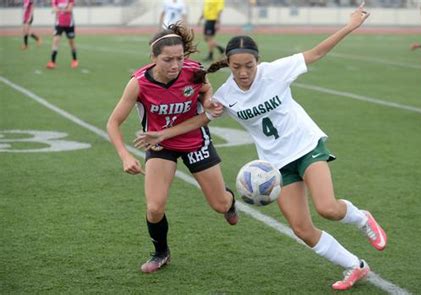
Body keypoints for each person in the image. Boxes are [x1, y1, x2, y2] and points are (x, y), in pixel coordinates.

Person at [135, 3, 387, 291]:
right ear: (228, 65)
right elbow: (201, 120)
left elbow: (317, 52)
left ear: (258, 62)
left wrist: (349, 26)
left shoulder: (277, 71)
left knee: (327, 207)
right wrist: (161, 134)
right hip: (276, 163)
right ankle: (356, 266)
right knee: (302, 229)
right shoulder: (227, 94)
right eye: (236, 67)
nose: (243, 73)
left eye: (249, 66)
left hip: (306, 145)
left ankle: (363, 218)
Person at [106, 23, 238, 274]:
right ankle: (161, 252)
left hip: (195, 141)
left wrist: (207, 100)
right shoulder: (138, 83)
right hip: (159, 146)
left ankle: (230, 201)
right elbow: (113, 123)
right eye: (167, 59)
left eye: (179, 58)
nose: (175, 65)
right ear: (154, 58)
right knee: (154, 207)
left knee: (219, 205)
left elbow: (205, 89)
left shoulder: (194, 71)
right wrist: (125, 157)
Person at [46, 0, 78, 69]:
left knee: (71, 42)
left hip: (69, 24)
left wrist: (59, 9)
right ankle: (52, 62)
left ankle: (74, 60)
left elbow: (69, 9)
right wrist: (63, 9)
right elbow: (54, 9)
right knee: (55, 41)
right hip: (59, 23)